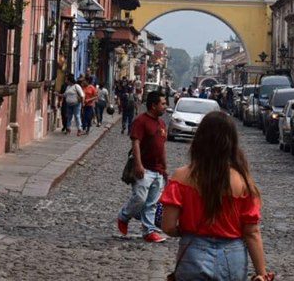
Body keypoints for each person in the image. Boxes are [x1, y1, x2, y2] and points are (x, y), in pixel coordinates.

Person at [160, 112, 274, 281]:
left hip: (193, 254)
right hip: (232, 257)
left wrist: (184, 231)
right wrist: (262, 273)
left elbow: (168, 226)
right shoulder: (242, 182)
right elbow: (251, 232)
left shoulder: (181, 177)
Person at [117, 90, 169, 243]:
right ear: (153, 105)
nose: (166, 106)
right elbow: (135, 143)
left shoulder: (162, 123)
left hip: (158, 170)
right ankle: (124, 216)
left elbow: (162, 146)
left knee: (152, 203)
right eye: (163, 104)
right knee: (140, 198)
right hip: (144, 169)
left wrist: (164, 167)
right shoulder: (141, 121)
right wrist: (138, 164)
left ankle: (149, 231)